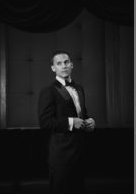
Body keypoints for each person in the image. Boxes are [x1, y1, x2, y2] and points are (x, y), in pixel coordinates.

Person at [38, 50, 95, 194]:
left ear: (72, 65)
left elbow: (82, 114)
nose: (63, 66)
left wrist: (90, 121)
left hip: (80, 152)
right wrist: (71, 122)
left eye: (66, 62)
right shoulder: (48, 91)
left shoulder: (79, 88)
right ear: (53, 68)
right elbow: (45, 122)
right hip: (61, 155)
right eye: (59, 63)